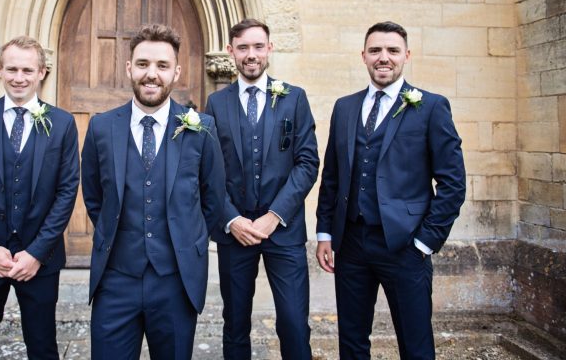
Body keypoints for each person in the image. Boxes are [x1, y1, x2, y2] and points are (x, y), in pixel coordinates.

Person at [315, 21, 466, 359]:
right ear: (364, 56)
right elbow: (333, 176)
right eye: (375, 51)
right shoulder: (345, 107)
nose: (384, 58)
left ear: (406, 56)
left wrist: (425, 242)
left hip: (405, 245)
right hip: (351, 243)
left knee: (415, 344)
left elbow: (453, 183)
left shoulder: (431, 107)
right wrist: (325, 233)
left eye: (392, 51)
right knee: (352, 341)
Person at [81, 23, 225, 359]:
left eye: (162, 66)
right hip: (115, 280)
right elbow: (94, 196)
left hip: (175, 280)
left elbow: (213, 200)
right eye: (143, 64)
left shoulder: (201, 129)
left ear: (176, 72)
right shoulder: (102, 128)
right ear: (130, 68)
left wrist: (186, 242)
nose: (152, 74)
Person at [0, 36, 79, 359]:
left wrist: (36, 253)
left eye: (27, 70)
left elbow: (66, 192)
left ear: (42, 73)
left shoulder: (62, 124)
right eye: (11, 69)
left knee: (43, 347)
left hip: (39, 260)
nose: (19, 77)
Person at [205, 19, 319, 359]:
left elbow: (307, 163)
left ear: (269, 48)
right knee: (235, 322)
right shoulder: (216, 103)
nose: (250, 55)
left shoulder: (294, 98)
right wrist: (231, 219)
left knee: (294, 322)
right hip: (235, 233)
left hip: (283, 231)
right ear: (231, 52)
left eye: (257, 46)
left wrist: (274, 216)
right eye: (243, 48)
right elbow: (208, 172)